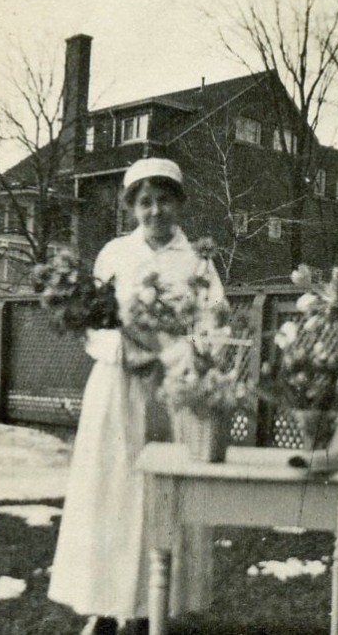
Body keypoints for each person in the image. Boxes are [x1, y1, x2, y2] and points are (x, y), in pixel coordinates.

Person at [48, 158, 224, 635]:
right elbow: (91, 327)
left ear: (179, 203)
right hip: (115, 387)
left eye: (164, 199)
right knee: (110, 493)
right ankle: (103, 607)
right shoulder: (114, 255)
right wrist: (123, 350)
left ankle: (156, 610)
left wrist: (170, 356)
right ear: (131, 208)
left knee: (160, 497)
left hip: (171, 394)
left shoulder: (198, 261)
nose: (155, 211)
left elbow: (212, 332)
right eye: (145, 202)